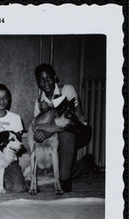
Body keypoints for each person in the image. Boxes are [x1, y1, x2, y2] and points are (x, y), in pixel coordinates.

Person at [33, 63, 100, 192]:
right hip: (56, 137)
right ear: (37, 82)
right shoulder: (38, 102)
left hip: (79, 131)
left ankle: (64, 181)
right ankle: (85, 164)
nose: (46, 82)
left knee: (65, 134)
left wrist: (49, 131)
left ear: (55, 77)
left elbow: (74, 119)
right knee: (50, 171)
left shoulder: (67, 90)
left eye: (49, 78)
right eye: (42, 79)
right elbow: (38, 126)